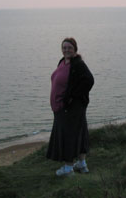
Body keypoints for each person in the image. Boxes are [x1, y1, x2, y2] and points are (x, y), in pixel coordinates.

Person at [46, 37, 94, 177]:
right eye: (64, 47)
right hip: (64, 107)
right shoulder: (63, 61)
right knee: (79, 133)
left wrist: (72, 97)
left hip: (70, 108)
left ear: (75, 49)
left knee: (68, 136)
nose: (66, 50)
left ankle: (68, 169)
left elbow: (89, 80)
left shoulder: (78, 63)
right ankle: (82, 164)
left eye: (69, 47)